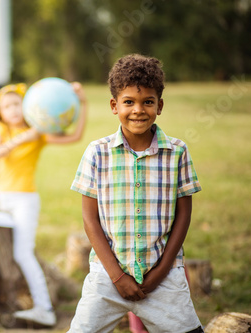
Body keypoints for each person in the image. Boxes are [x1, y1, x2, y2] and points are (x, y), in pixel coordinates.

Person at [68, 54, 204, 333]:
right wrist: (117, 277)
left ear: (160, 105)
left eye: (148, 102)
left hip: (164, 278)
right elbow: (90, 220)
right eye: (129, 102)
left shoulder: (177, 152)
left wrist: (159, 274)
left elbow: (184, 216)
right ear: (114, 105)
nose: (138, 110)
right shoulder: (97, 152)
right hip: (107, 276)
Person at [0, 82, 87, 326]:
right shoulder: (0, 129)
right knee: (10, 253)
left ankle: (44, 308)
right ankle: (12, 300)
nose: (12, 110)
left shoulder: (40, 131)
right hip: (4, 198)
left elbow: (75, 136)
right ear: (0, 112)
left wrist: (82, 103)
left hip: (25, 199)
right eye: (6, 106)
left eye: (16, 104)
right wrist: (24, 137)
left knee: (23, 253)